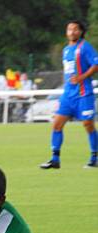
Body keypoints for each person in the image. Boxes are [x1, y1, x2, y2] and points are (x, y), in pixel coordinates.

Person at [41, 20, 98, 169]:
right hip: (68, 95)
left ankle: (94, 157)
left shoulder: (84, 47)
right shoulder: (66, 50)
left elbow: (96, 64)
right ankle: (55, 159)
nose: (72, 32)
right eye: (69, 29)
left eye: (75, 29)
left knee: (88, 125)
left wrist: (82, 77)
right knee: (57, 124)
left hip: (84, 94)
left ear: (80, 32)